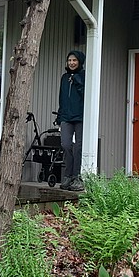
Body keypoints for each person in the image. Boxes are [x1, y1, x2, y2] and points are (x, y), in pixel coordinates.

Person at [57, 50, 85, 191]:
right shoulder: (64, 77)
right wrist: (59, 117)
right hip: (66, 117)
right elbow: (62, 98)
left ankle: (77, 177)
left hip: (80, 117)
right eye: (69, 60)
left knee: (78, 147)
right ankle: (67, 176)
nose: (72, 63)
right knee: (66, 145)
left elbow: (85, 93)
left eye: (74, 60)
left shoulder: (84, 75)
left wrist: (77, 80)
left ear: (79, 61)